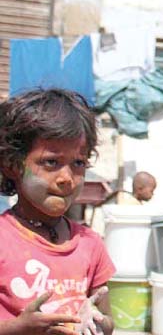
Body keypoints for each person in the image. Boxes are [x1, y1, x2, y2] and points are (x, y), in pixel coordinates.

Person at [0, 89, 115, 335]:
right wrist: (17, 328)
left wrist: (96, 321)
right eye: (51, 162)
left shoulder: (90, 243)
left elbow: (107, 320)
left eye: (78, 163)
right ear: (12, 165)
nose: (67, 178)